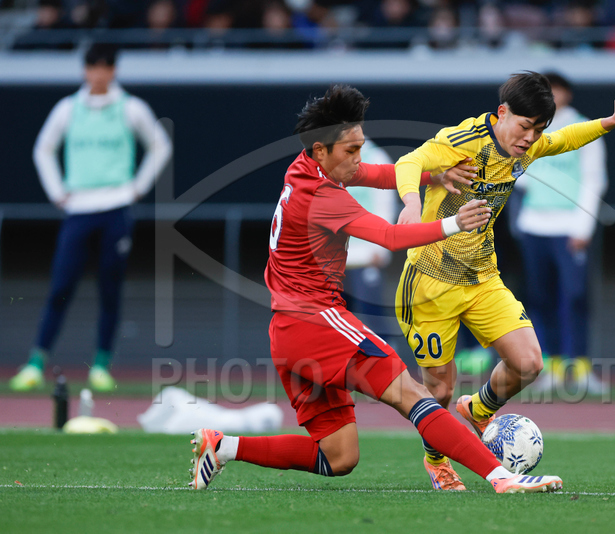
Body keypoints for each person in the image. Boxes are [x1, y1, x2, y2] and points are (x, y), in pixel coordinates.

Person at [188, 85, 563, 494]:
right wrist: (455, 223)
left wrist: (434, 176)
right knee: (414, 395)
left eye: (360, 147)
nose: (358, 159)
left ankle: (222, 447)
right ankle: (502, 477)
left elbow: (376, 174)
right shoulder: (323, 198)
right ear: (321, 150)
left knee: (338, 457)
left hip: (288, 332)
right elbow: (389, 236)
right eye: (351, 150)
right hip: (317, 322)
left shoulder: (306, 166)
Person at [393, 71, 615, 490]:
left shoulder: (528, 145)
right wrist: (412, 204)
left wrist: (611, 121)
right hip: (430, 282)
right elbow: (409, 162)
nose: (531, 138)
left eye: (538, 129)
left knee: (529, 363)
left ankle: (479, 409)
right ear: (502, 113)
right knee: (440, 390)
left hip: (482, 277)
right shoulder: (462, 140)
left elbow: (565, 139)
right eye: (525, 127)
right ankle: (437, 461)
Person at [9, 43, 172, 392]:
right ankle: (36, 362)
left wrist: (138, 187)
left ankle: (101, 365)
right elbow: (43, 149)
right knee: (61, 286)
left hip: (116, 209)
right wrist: (57, 191)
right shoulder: (68, 109)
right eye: (92, 67)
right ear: (85, 70)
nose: (98, 74)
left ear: (113, 70)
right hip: (78, 210)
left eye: (104, 67)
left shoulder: (131, 108)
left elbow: (160, 145)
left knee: (110, 288)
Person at [514, 72, 608, 396]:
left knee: (575, 297)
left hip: (569, 228)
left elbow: (594, 179)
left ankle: (580, 368)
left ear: (567, 93)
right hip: (534, 226)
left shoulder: (585, 129)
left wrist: (583, 227)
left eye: (556, 90)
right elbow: (519, 175)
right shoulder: (528, 129)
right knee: (539, 299)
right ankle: (551, 367)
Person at [343, 139, 397, 336]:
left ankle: (386, 351)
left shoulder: (375, 156)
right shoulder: (327, 157)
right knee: (337, 317)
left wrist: (379, 246)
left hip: (365, 254)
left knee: (372, 314)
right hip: (334, 255)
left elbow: (385, 205)